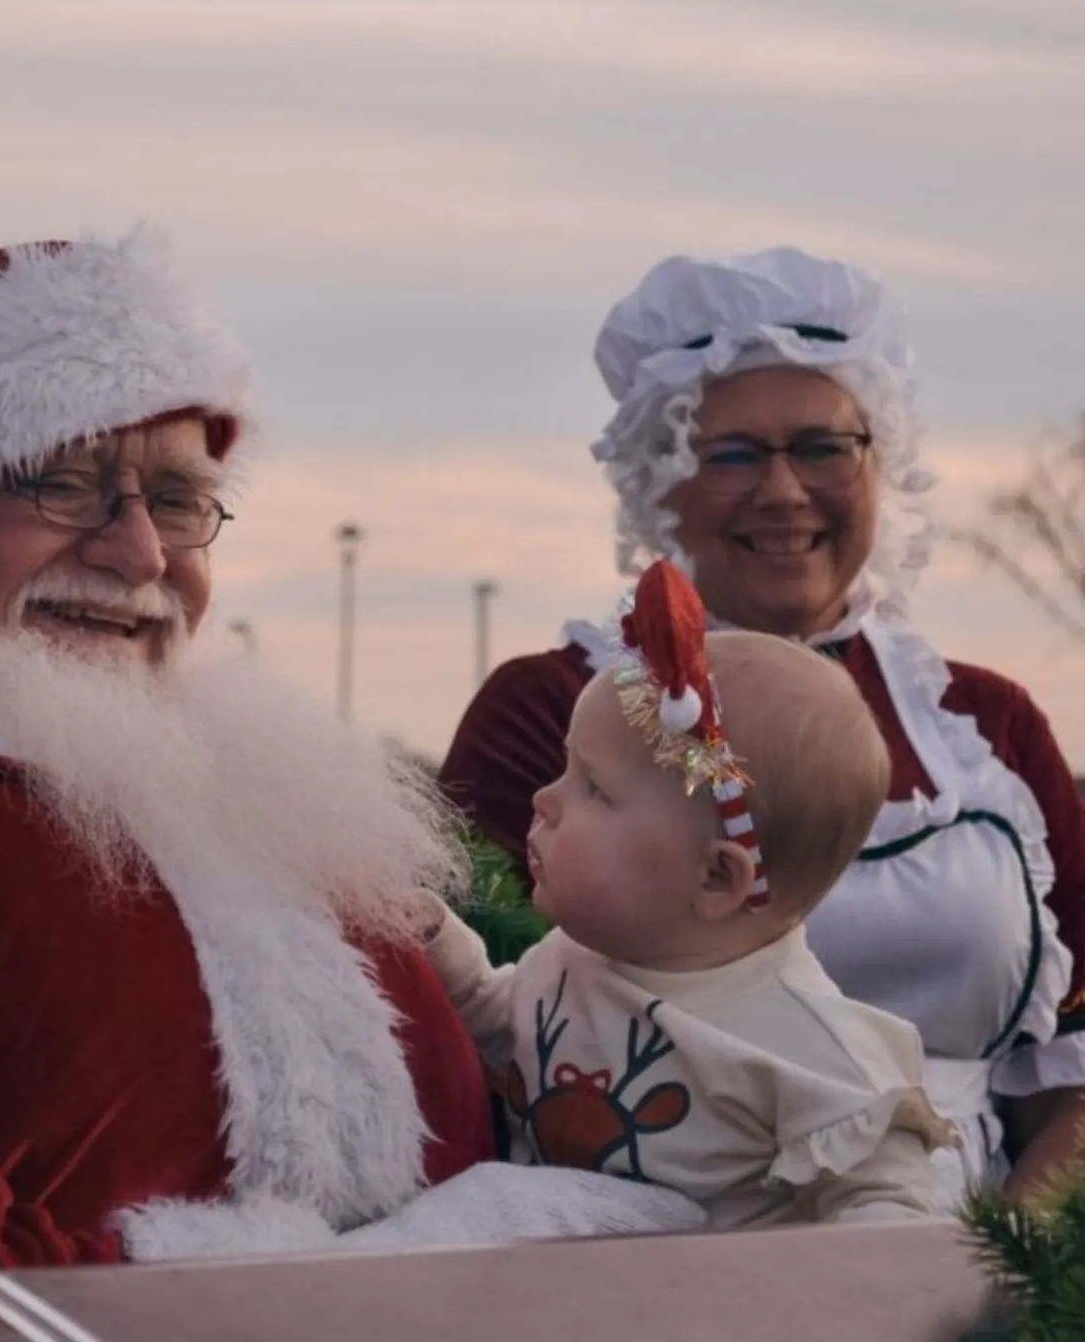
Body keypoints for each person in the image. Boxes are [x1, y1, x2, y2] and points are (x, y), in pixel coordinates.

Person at [0, 235, 699, 1342]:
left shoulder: (262, 800)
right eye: (63, 484)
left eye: (181, 500)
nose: (141, 554)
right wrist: (421, 1279)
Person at [440, 247, 1085, 1208]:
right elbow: (480, 1032)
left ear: (879, 462)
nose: (784, 491)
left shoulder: (985, 724)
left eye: (824, 447)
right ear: (659, 479)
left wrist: (1005, 1279)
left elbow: (1072, 1079)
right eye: (732, 454)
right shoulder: (551, 714)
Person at [425, 560, 952, 1228]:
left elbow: (894, 1218)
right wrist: (442, 949)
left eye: (593, 788)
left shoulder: (812, 1048)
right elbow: (512, 1037)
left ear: (715, 878)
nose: (544, 800)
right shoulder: (574, 961)